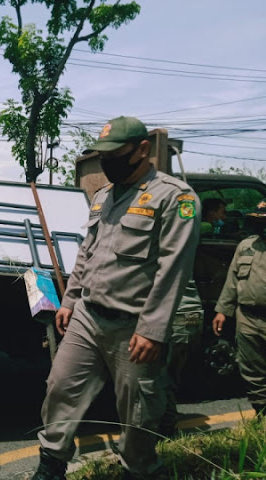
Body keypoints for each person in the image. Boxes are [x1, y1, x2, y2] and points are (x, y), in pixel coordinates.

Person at [33, 116, 200, 480]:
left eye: (116, 154)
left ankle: (138, 471)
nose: (107, 162)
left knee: (138, 414)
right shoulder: (103, 196)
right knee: (59, 388)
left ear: (142, 150)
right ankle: (50, 466)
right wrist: (70, 300)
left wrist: (153, 329)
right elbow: (87, 253)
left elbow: (175, 268)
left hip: (135, 328)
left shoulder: (175, 197)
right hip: (87, 318)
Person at [213, 200, 266, 416]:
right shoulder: (246, 246)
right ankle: (262, 415)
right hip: (248, 318)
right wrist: (222, 310)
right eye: (258, 220)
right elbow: (233, 280)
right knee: (252, 371)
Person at [158, 280, 204, 436]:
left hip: (175, 317)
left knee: (161, 379)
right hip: (184, 316)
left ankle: (165, 432)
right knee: (166, 378)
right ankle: (166, 429)